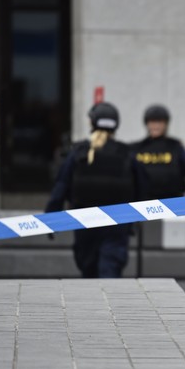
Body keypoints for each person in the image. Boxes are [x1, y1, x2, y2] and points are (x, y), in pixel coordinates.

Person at [45, 102, 143, 278]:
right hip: (116, 226)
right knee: (109, 276)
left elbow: (61, 186)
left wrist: (52, 219)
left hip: (85, 224)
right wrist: (134, 222)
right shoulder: (126, 154)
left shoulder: (78, 153)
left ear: (91, 123)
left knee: (89, 278)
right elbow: (141, 189)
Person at [131, 104, 185, 200]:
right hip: (144, 206)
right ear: (147, 123)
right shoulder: (137, 149)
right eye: (152, 122)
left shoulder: (176, 147)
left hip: (175, 204)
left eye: (159, 122)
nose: (156, 126)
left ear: (166, 124)